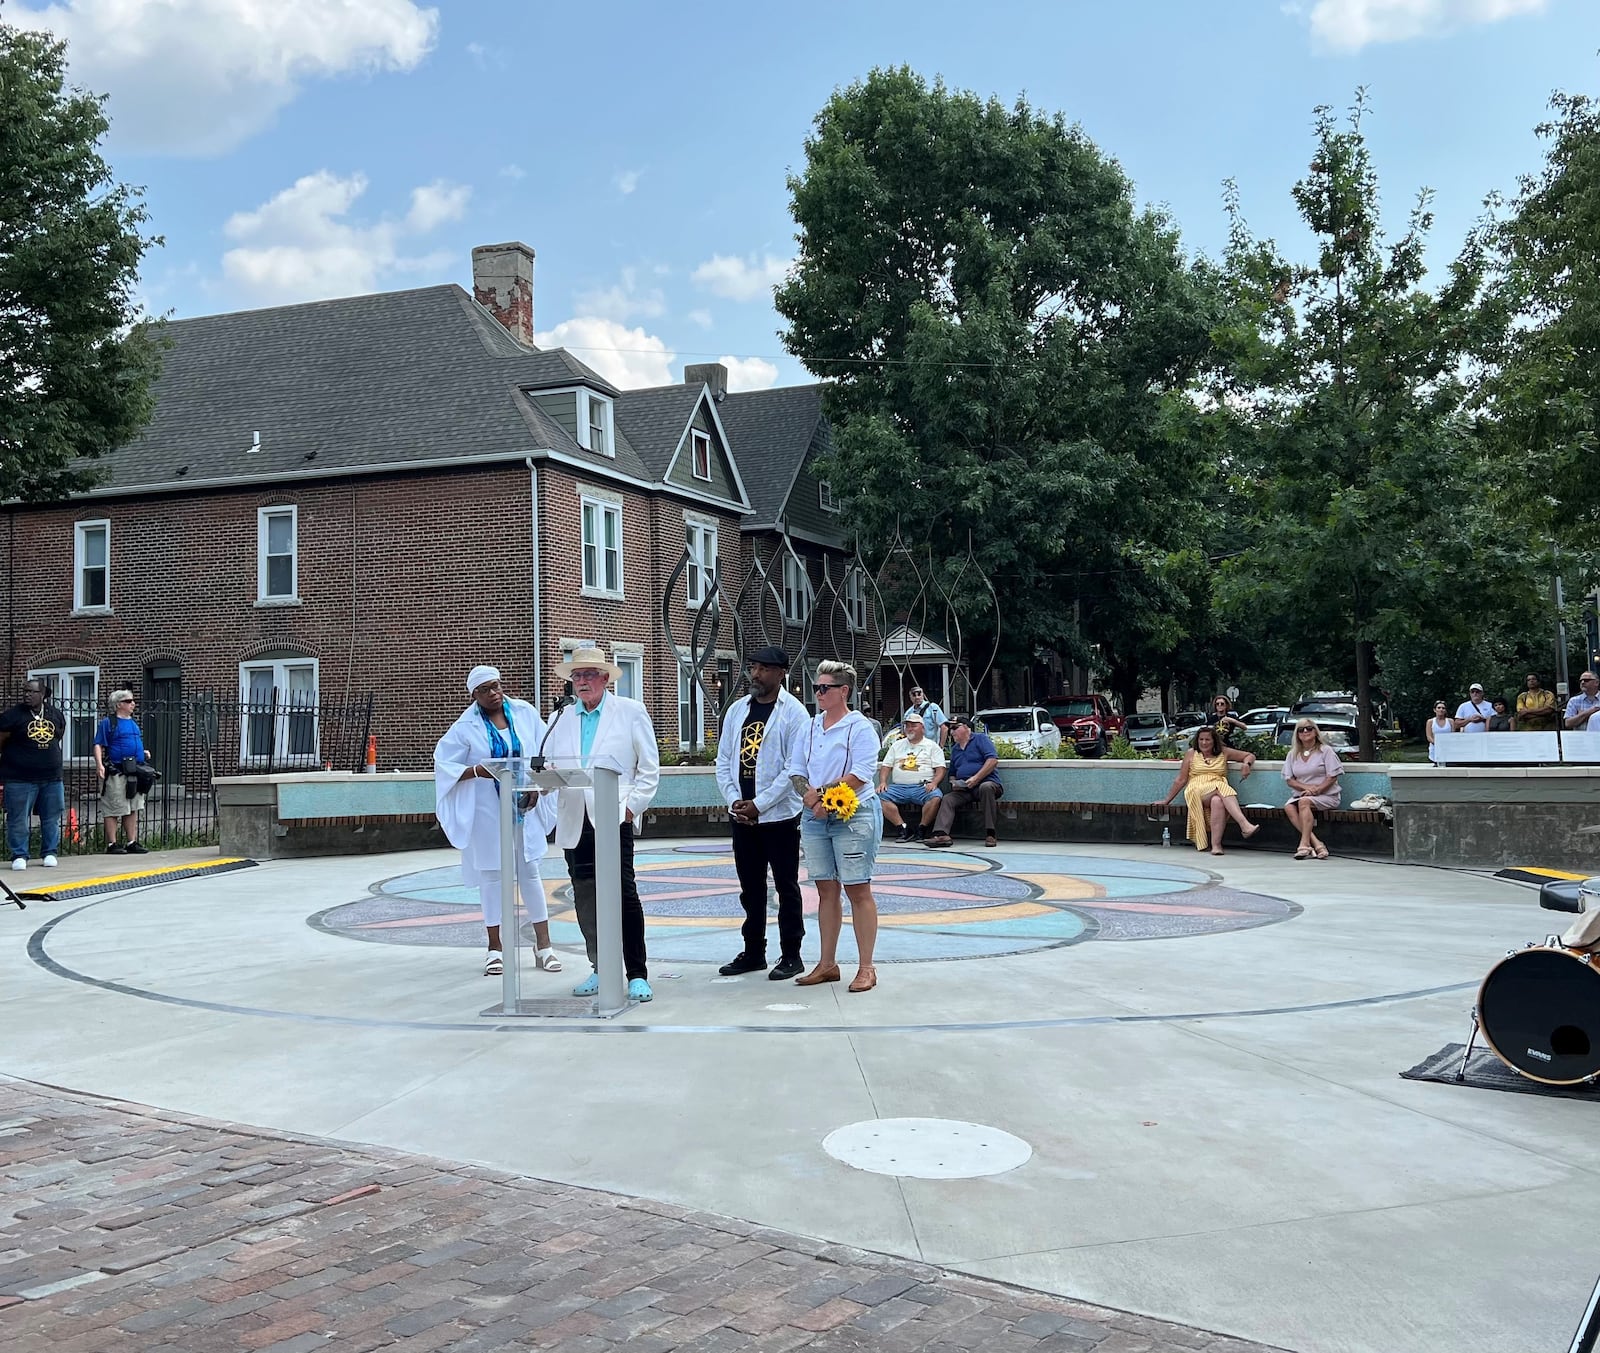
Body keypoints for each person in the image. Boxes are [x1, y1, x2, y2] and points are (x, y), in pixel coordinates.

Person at [541, 645, 660, 1003]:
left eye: (590, 674)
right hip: (575, 818)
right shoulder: (560, 718)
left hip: (613, 815)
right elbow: (549, 765)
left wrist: (631, 809)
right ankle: (600, 967)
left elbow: (649, 769)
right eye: (577, 676)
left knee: (623, 894)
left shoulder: (630, 712)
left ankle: (636, 972)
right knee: (585, 894)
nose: (582, 681)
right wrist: (545, 779)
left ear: (606, 678)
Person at [434, 665, 562, 977]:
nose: (494, 693)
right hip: (488, 810)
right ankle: (495, 947)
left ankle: (543, 946)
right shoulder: (466, 726)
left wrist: (537, 784)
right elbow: (443, 764)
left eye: (497, 686)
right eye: (486, 690)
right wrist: (478, 770)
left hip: (523, 807)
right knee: (492, 875)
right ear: (474, 695)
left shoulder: (523, 712)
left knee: (529, 871)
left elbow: (543, 752)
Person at [713, 645, 810, 981]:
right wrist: (735, 800)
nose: (756, 675)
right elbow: (724, 759)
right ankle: (753, 951)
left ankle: (792, 954)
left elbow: (793, 769)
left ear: (781, 672)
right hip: (742, 814)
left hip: (779, 816)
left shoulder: (794, 714)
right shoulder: (738, 710)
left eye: (764, 669)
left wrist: (761, 804)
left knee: (786, 886)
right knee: (750, 887)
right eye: (754, 668)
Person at [787, 659, 881, 992]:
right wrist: (811, 799)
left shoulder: (860, 727)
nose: (818, 694)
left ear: (844, 691)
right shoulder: (809, 726)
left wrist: (822, 797)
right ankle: (827, 963)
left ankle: (866, 967)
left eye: (825, 688)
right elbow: (795, 768)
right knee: (826, 889)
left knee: (858, 888)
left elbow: (860, 774)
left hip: (853, 814)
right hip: (816, 815)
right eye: (816, 688)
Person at [1157, 725, 1259, 856]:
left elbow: (1249, 755)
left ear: (1214, 741)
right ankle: (1244, 825)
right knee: (1221, 787)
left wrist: (1246, 764)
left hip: (1217, 788)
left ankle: (1216, 845)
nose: (1204, 743)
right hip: (1196, 789)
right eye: (1201, 740)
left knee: (1218, 801)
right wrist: (1166, 800)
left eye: (1207, 740)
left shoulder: (1224, 752)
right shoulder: (1191, 753)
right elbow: (1181, 780)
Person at [1, 678, 66, 871]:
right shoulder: (12, 716)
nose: (27, 695)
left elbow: (58, 735)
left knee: (51, 817)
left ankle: (50, 852)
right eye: (25, 691)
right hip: (19, 777)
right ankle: (19, 854)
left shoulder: (55, 714)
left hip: (52, 777)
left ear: (43, 694)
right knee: (18, 818)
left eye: (32, 691)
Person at [925, 716, 1004, 849]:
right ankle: (941, 834)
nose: (952, 732)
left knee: (986, 787)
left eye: (955, 728)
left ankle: (991, 833)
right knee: (948, 798)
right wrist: (954, 783)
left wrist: (976, 778)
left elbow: (992, 760)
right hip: (965, 789)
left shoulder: (980, 739)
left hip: (986, 783)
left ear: (967, 728)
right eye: (950, 729)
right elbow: (952, 773)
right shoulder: (955, 749)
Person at [93, 689, 152, 855]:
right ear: (119, 704)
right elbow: (98, 744)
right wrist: (99, 765)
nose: (133, 703)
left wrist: (143, 751)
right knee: (114, 805)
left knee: (132, 806)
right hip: (117, 770)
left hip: (135, 769)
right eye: (129, 701)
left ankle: (131, 841)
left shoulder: (132, 722)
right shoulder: (109, 723)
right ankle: (112, 843)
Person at [876, 711, 946, 842]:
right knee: (878, 796)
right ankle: (903, 828)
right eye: (907, 725)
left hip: (922, 787)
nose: (909, 728)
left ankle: (922, 829)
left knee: (936, 796)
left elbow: (940, 769)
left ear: (922, 728)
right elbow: (886, 766)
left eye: (913, 725)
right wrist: (883, 782)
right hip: (898, 787)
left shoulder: (932, 746)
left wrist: (934, 783)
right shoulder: (897, 745)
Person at [1281, 719, 1342, 860]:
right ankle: (1317, 843)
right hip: (1303, 794)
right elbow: (1289, 779)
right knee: (1289, 807)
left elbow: (1332, 776)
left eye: (1309, 728)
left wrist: (1317, 790)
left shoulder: (1325, 751)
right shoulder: (1292, 754)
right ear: (1297, 734)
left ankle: (1304, 844)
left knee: (1304, 802)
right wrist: (1307, 788)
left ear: (1315, 731)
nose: (1305, 732)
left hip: (1327, 795)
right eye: (1301, 730)